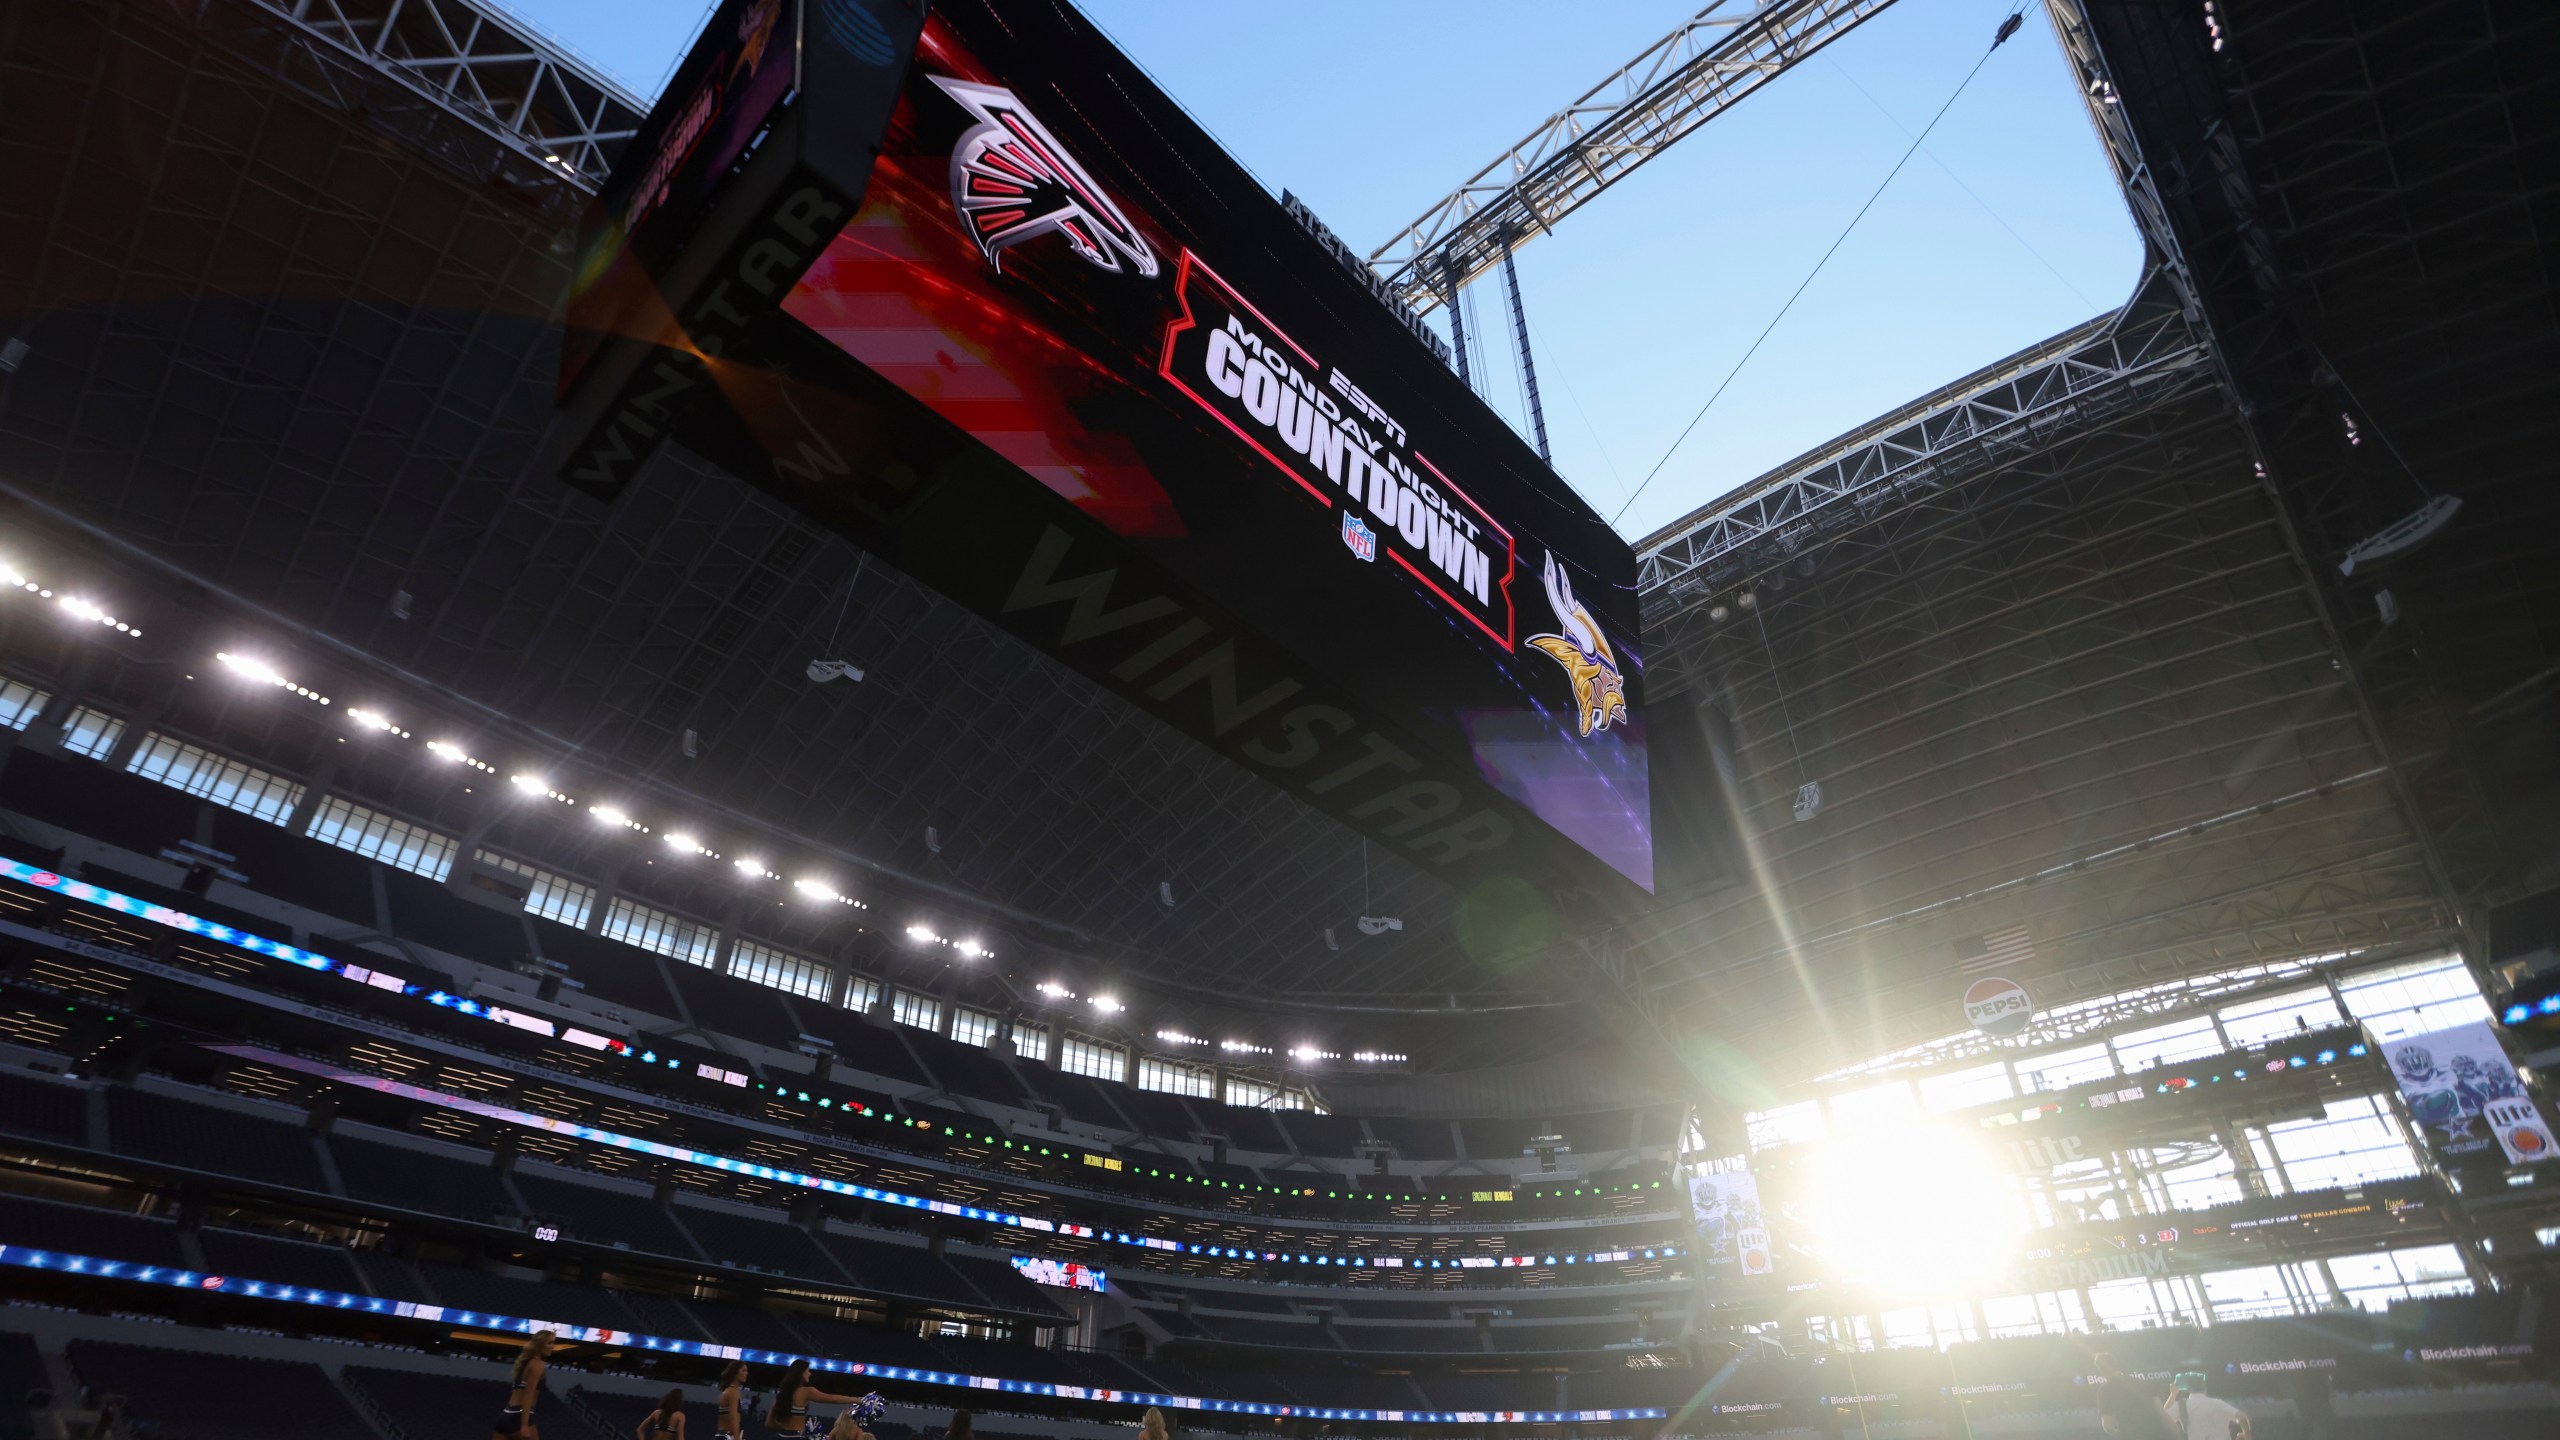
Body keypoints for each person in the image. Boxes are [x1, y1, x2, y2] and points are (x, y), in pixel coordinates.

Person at [765, 1360, 861, 1439]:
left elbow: (769, 1423)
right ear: (801, 1373)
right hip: (797, 1436)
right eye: (808, 1370)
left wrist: (784, 1427)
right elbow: (832, 1399)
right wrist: (856, 1399)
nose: (809, 1374)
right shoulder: (806, 1392)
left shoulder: (782, 1394)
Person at [492, 1330, 556, 1439]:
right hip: (519, 1416)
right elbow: (528, 1394)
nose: (552, 1346)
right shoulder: (538, 1364)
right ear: (539, 1344)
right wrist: (524, 1425)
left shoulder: (524, 1363)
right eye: (549, 1343)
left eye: (553, 1343)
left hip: (505, 1416)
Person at [2163, 1370, 2250, 1440]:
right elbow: (2241, 1417)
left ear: (2188, 1389)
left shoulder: (2182, 1406)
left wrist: (2173, 1394)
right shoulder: (2217, 1403)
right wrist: (2247, 1436)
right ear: (2204, 1388)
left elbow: (2164, 1417)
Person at [716, 1362, 749, 1440]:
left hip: (722, 1435)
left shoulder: (728, 1390)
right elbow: (733, 1418)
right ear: (735, 1373)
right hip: (727, 1436)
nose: (746, 1373)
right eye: (743, 1370)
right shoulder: (733, 1392)